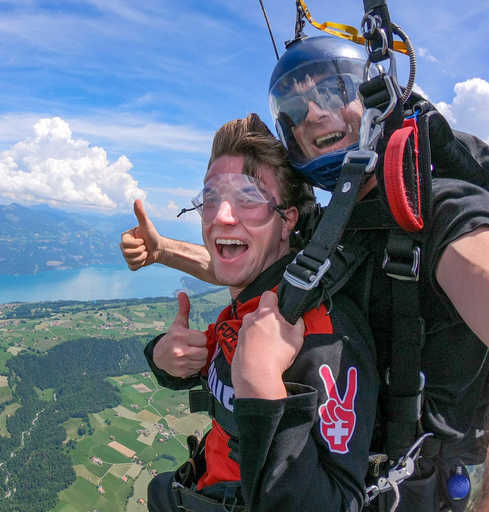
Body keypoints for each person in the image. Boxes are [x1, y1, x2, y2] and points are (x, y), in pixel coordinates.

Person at [123, 36, 489, 512]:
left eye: (335, 91)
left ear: (377, 99)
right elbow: (248, 261)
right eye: (296, 107)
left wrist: (258, 380)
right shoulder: (327, 229)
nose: (315, 113)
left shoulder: (441, 211)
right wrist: (163, 253)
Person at [144, 113, 378, 512]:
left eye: (248, 198)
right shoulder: (247, 309)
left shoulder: (321, 334)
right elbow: (208, 368)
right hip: (200, 488)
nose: (220, 216)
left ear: (287, 219)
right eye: (211, 199)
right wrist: (164, 359)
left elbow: (339, 503)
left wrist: (263, 382)